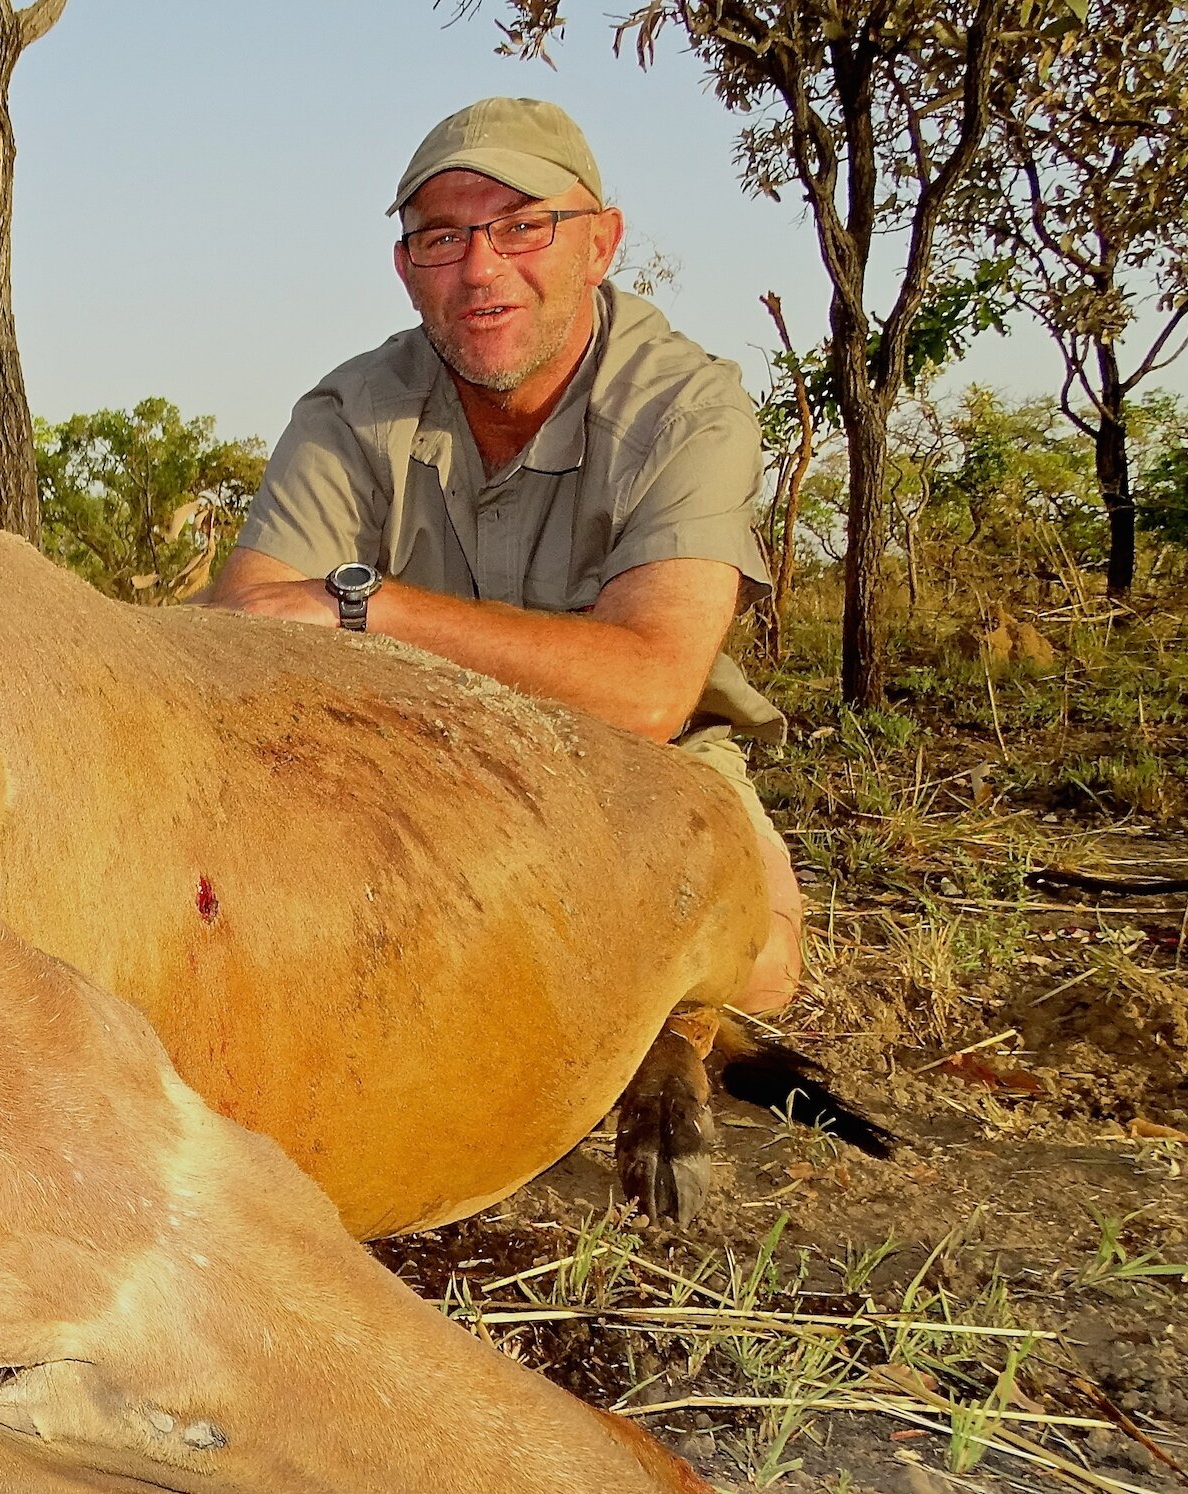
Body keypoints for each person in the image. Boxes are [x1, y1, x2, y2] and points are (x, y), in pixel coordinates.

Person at [208, 97, 801, 1016]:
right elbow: (241, 629)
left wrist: (368, 607)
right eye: (442, 238)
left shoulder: (685, 408)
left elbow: (648, 692)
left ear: (600, 244)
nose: (482, 270)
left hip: (642, 763)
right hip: (409, 754)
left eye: (524, 227)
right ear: (407, 270)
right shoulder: (350, 409)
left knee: (757, 968)